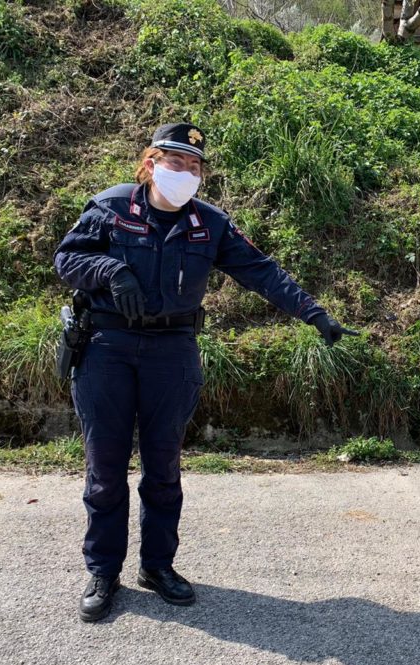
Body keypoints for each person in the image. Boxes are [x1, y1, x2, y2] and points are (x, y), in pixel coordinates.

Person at [54, 123, 355, 622]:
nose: (186, 172)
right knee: (105, 470)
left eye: (194, 166)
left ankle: (157, 566)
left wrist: (314, 313)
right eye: (176, 162)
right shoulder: (111, 206)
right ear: (151, 163)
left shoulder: (209, 224)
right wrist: (112, 271)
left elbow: (261, 271)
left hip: (172, 351)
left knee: (163, 468)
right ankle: (103, 571)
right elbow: (68, 258)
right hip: (108, 347)